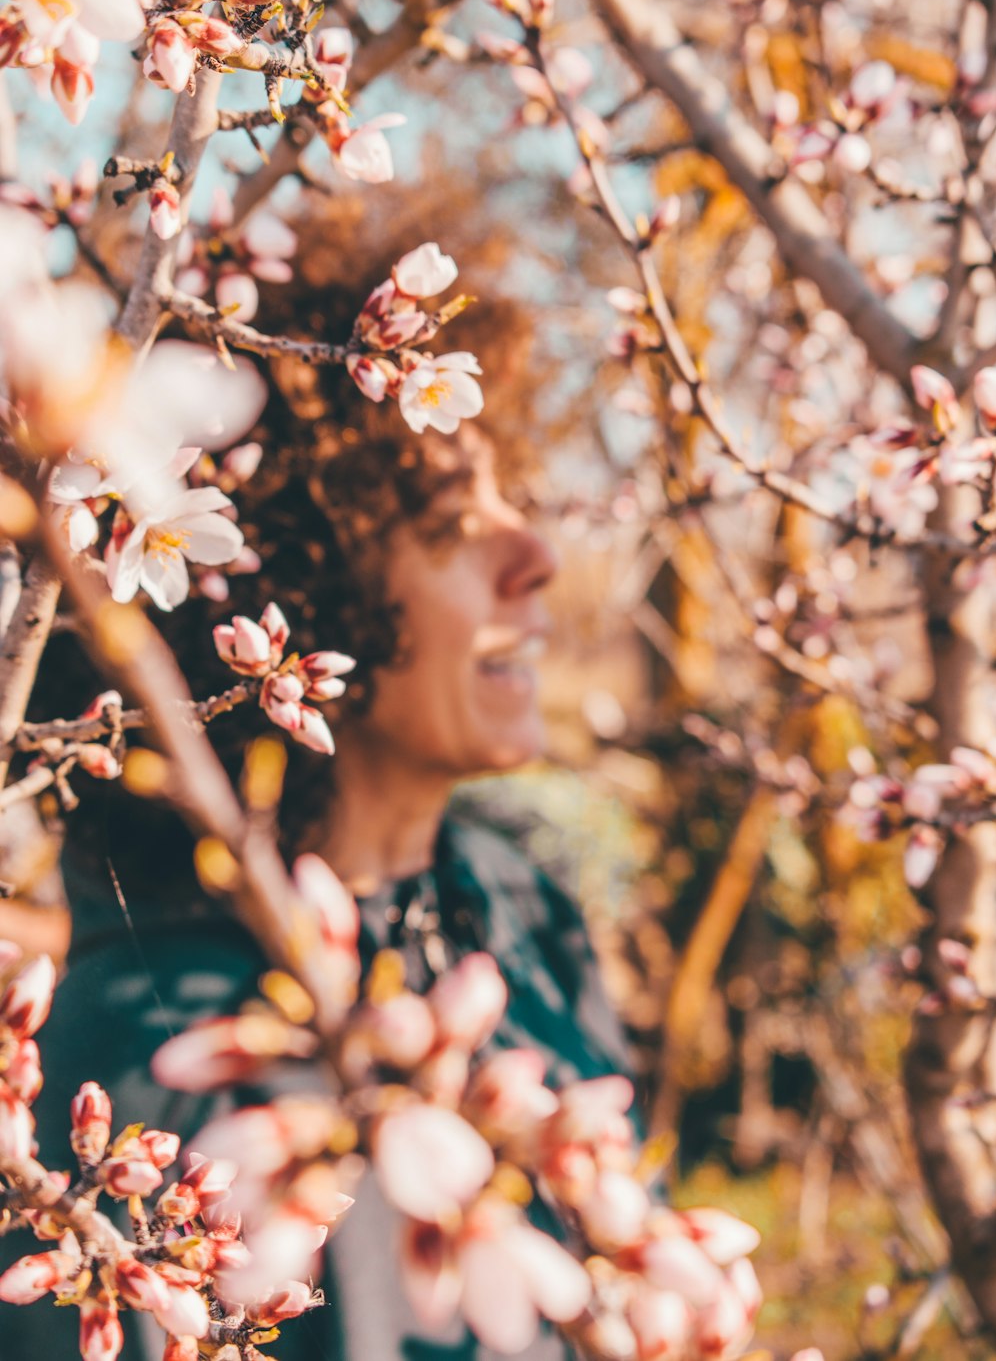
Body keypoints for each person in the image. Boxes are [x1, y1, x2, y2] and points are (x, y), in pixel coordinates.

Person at [5, 274, 636, 1361]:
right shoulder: (152, 1068)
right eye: (448, 521)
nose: (535, 556)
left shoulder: (522, 905)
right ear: (300, 579)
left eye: (508, 495)